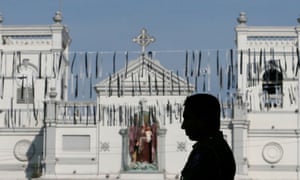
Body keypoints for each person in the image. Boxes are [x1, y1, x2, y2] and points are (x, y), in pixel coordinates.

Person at [181, 93, 236, 180]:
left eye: (188, 118)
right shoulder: (216, 148)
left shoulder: (207, 152)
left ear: (203, 119)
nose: (183, 126)